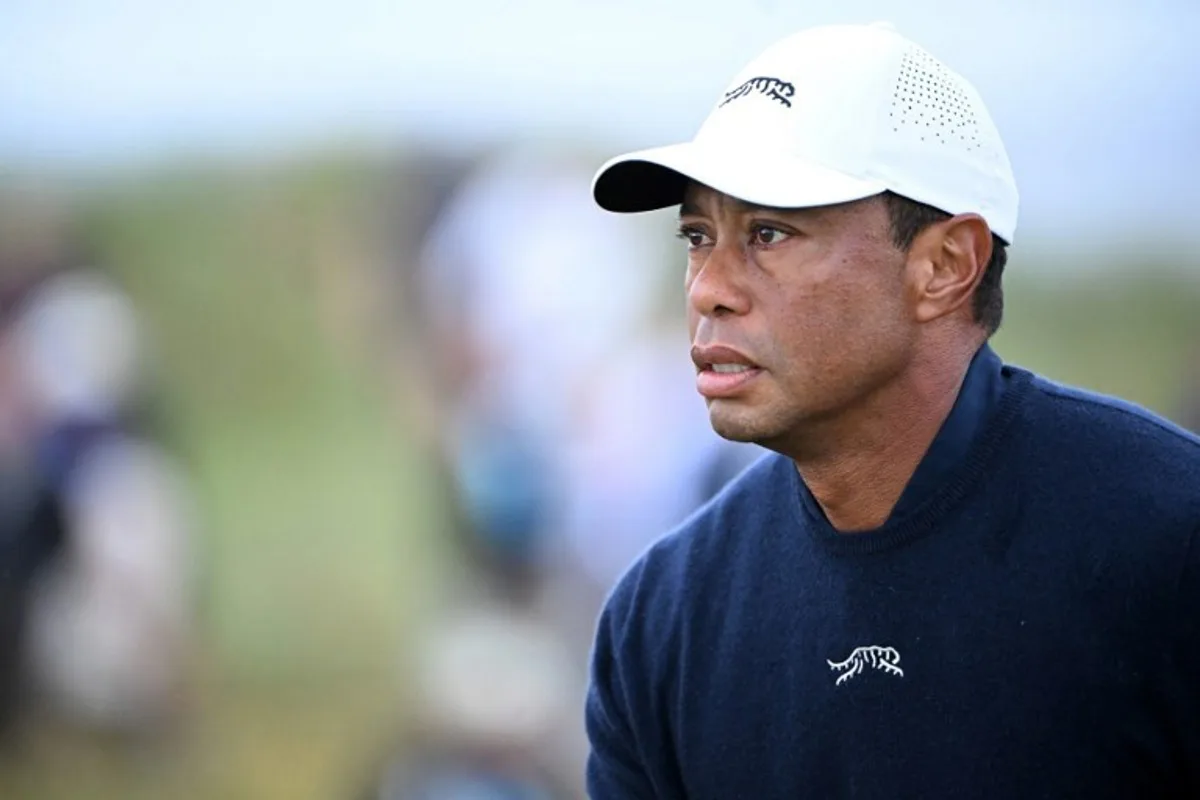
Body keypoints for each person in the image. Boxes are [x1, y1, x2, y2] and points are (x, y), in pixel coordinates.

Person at [583, 22, 1200, 799]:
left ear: (945, 265)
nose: (709, 286)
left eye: (769, 233)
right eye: (698, 236)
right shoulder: (662, 620)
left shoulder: (1168, 540)